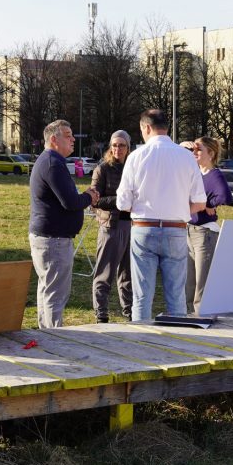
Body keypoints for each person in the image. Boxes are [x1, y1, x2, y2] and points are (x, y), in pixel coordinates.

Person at [116, 109, 206, 319]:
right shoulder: (186, 157)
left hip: (143, 228)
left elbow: (122, 203)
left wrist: (141, 207)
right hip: (176, 229)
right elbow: (200, 202)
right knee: (176, 296)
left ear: (146, 128)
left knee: (141, 297)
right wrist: (179, 208)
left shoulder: (136, 156)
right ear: (167, 128)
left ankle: (142, 342)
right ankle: (177, 344)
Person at [29, 119, 99, 328]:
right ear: (53, 139)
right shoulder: (52, 163)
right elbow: (70, 202)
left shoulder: (50, 161)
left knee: (47, 289)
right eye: (67, 135)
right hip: (54, 240)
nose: (73, 140)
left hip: (48, 237)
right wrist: (89, 196)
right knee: (55, 295)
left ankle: (46, 335)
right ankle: (54, 339)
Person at [89, 130, 133, 323]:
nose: (118, 149)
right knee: (104, 272)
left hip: (133, 225)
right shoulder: (103, 169)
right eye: (114, 145)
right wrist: (121, 200)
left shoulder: (133, 168)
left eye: (122, 145)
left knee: (128, 273)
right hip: (110, 226)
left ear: (128, 147)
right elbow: (95, 200)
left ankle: (130, 311)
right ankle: (102, 313)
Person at [186, 136, 232, 314]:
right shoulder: (196, 173)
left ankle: (200, 316)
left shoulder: (214, 175)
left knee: (201, 281)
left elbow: (225, 197)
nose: (194, 152)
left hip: (204, 234)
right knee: (188, 280)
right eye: (194, 149)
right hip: (189, 231)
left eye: (199, 149)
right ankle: (187, 315)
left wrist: (207, 204)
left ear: (211, 153)